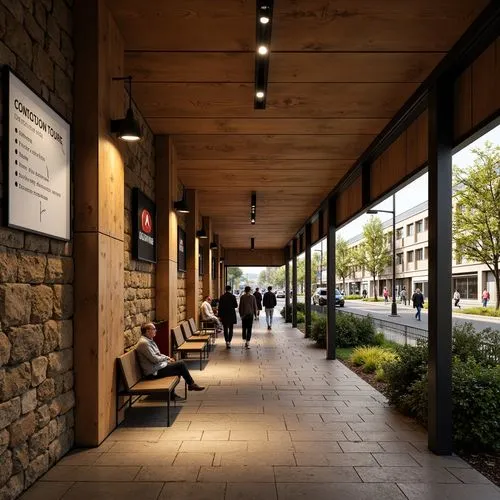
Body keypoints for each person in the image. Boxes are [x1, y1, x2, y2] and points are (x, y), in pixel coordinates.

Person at [135, 323, 205, 396]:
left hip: (157, 367)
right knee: (181, 364)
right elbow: (154, 359)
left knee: (179, 369)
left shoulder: (149, 340)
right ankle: (190, 385)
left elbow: (158, 354)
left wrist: (168, 358)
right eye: (154, 329)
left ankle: (176, 392)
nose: (156, 330)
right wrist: (165, 359)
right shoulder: (144, 343)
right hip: (153, 372)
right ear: (147, 331)